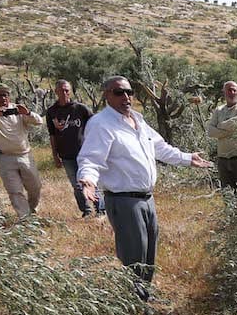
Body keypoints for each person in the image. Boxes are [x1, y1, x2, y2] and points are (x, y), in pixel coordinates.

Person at [77, 76, 212, 301]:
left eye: (129, 92)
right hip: (123, 200)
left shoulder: (138, 121)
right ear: (107, 95)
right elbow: (91, 158)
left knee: (148, 250)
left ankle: (144, 294)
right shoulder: (101, 124)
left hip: (146, 198)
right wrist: (88, 180)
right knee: (133, 254)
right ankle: (132, 301)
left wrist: (188, 158)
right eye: (119, 92)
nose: (126, 97)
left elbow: (161, 148)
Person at [0, 83, 44, 219]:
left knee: (35, 186)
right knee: (14, 190)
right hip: (4, 158)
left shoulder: (17, 109)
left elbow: (39, 121)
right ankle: (25, 218)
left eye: (5, 95)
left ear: (9, 96)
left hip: (25, 155)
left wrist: (28, 113)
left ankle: (32, 209)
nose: (3, 98)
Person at [46, 79, 103, 218]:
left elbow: (95, 124)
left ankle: (100, 210)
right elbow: (52, 135)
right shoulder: (52, 111)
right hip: (66, 154)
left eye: (66, 90)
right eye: (61, 90)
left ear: (70, 91)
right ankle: (86, 211)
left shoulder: (80, 108)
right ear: (56, 92)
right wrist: (55, 155)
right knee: (76, 185)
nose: (64, 93)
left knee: (90, 181)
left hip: (85, 153)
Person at [206, 80, 237, 191]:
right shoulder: (219, 110)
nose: (232, 92)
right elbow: (210, 131)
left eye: (234, 90)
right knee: (228, 195)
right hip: (223, 159)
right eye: (229, 90)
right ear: (224, 92)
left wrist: (220, 125)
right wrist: (231, 130)